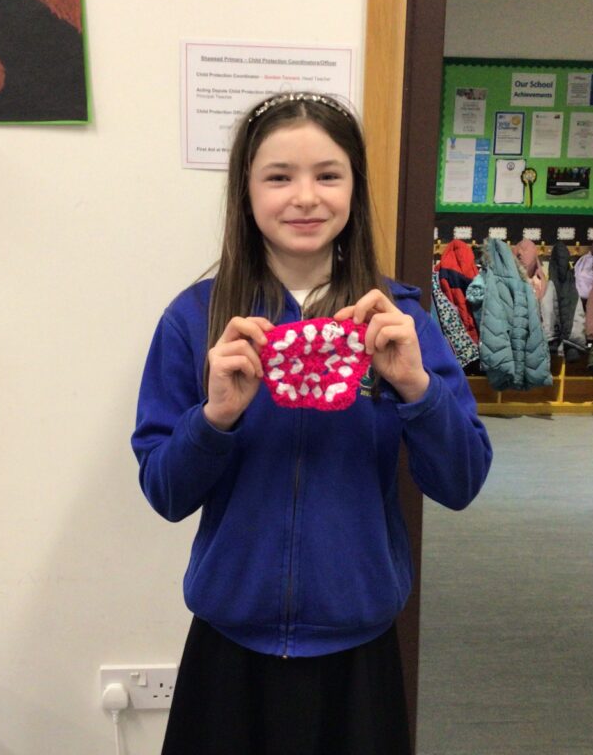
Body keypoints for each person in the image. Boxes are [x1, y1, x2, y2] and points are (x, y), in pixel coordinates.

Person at [131, 92, 492, 755]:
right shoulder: (196, 320)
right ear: (246, 192)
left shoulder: (400, 321)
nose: (305, 197)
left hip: (358, 650)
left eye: (328, 175)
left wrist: (416, 388)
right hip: (229, 648)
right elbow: (165, 492)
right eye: (279, 176)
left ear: (354, 188)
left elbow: (461, 481)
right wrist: (216, 417)